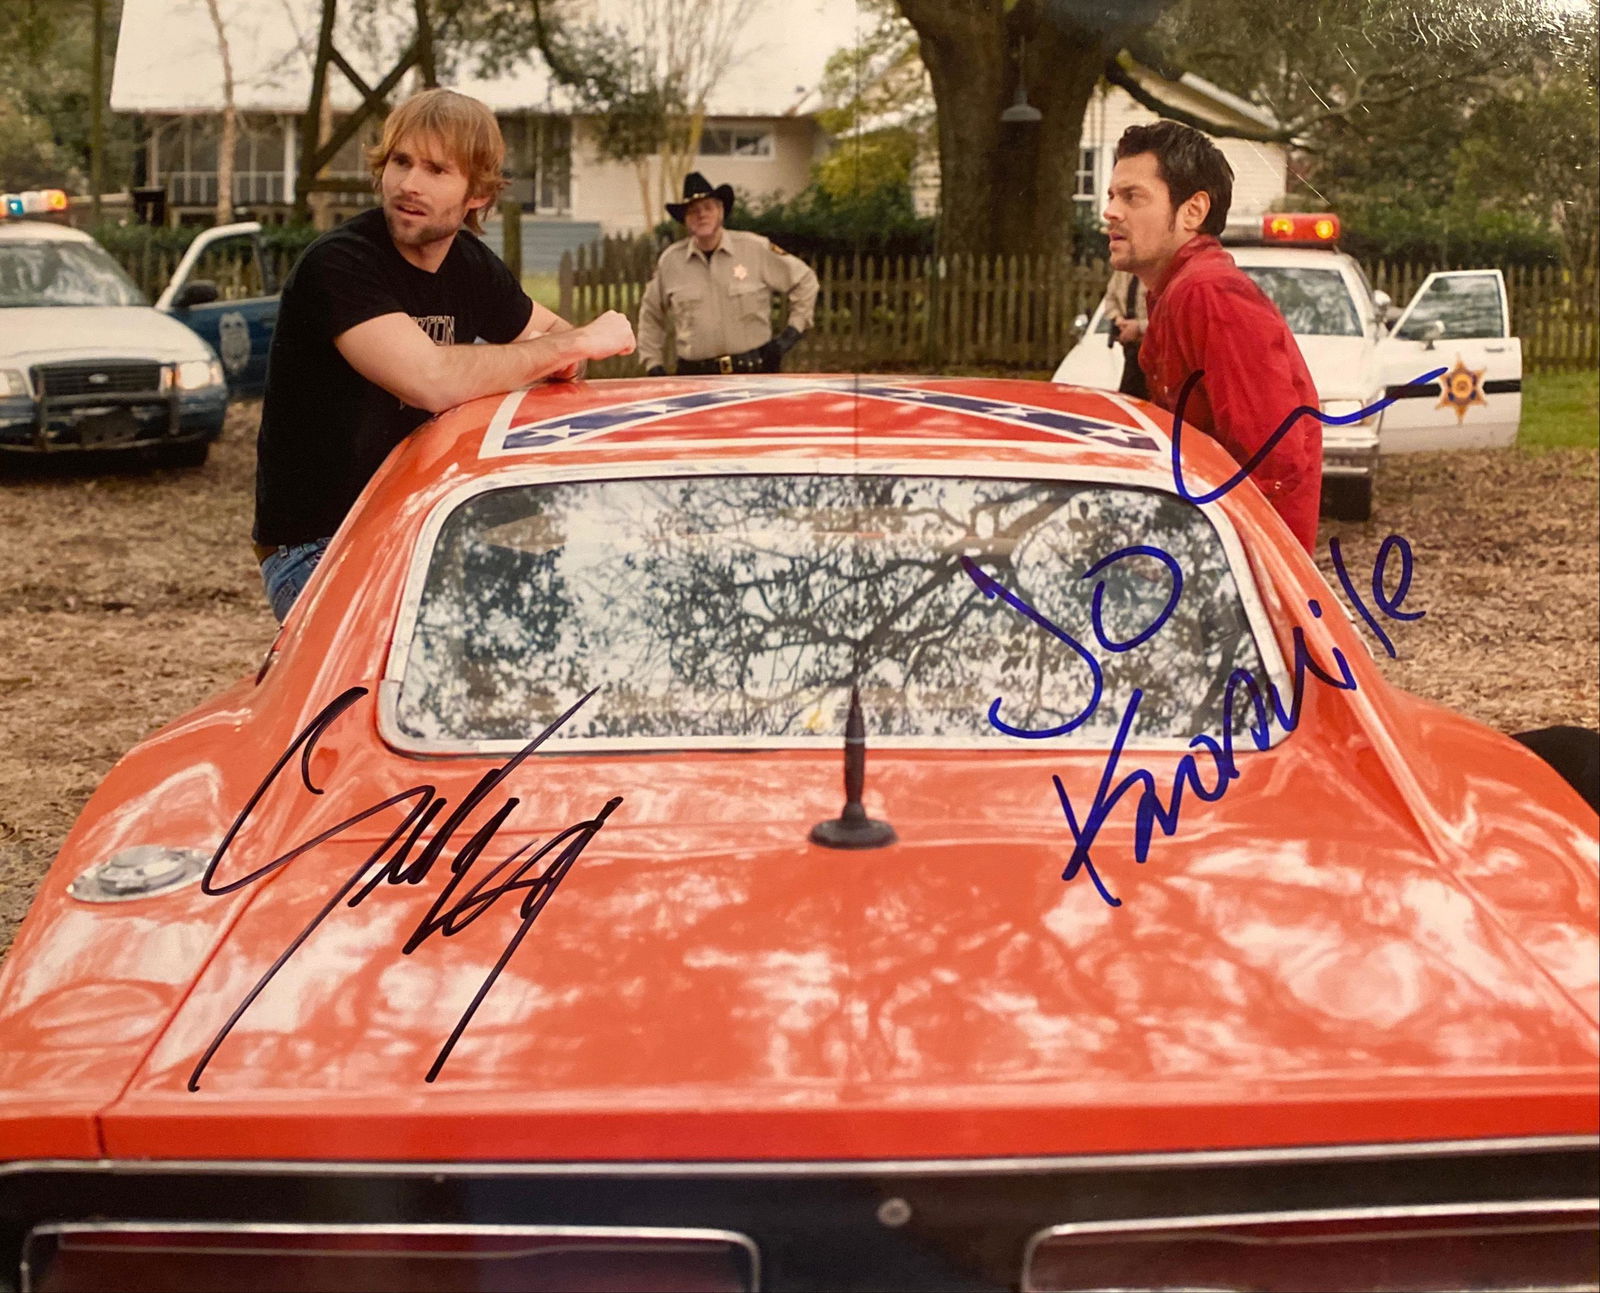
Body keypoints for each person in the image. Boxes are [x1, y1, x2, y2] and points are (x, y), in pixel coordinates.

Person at [252, 88, 636, 622]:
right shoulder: (340, 264)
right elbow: (429, 379)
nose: (409, 184)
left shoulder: (470, 265)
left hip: (420, 531)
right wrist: (569, 345)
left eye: (436, 170)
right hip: (320, 548)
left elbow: (551, 336)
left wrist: (564, 351)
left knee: (566, 604)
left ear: (477, 193)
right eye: (400, 162)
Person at [1104, 120, 1321, 552]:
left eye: (1132, 197)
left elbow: (1271, 462)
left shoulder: (1209, 293)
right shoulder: (1176, 293)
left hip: (1242, 574)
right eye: (1112, 195)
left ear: (1193, 211)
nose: (1110, 211)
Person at [637, 172, 818, 376]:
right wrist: (653, 363)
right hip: (695, 377)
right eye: (693, 211)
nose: (702, 215)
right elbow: (650, 315)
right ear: (685, 220)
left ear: (721, 211)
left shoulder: (754, 248)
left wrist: (791, 333)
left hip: (754, 372)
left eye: (708, 207)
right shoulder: (671, 262)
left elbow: (805, 280)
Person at [1100, 268, 1148, 400]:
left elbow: (1166, 316)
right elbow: (1110, 299)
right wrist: (1119, 320)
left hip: (1154, 350)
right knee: (1129, 397)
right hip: (1130, 349)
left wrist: (1139, 327)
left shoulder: (1158, 273)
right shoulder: (1122, 273)